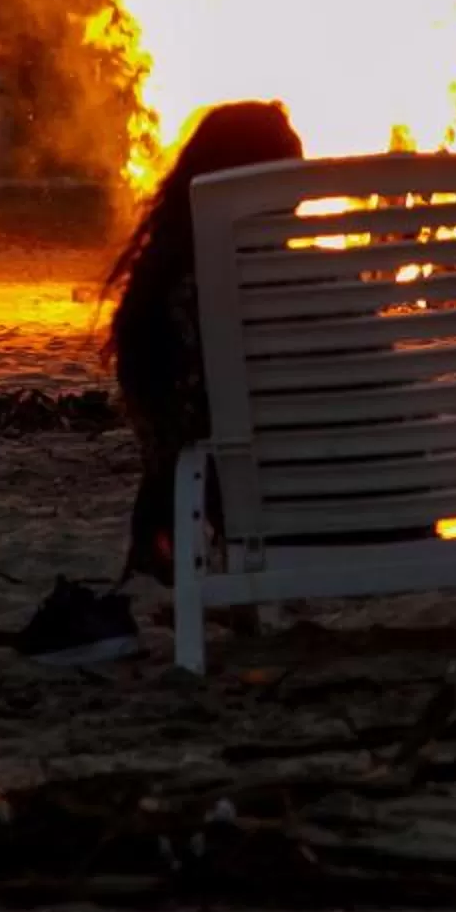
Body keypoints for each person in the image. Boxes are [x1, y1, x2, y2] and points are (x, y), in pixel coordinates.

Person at [105, 100, 307, 584]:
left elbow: (168, 437)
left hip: (251, 513)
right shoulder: (323, 288)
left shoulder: (164, 299)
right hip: (388, 513)